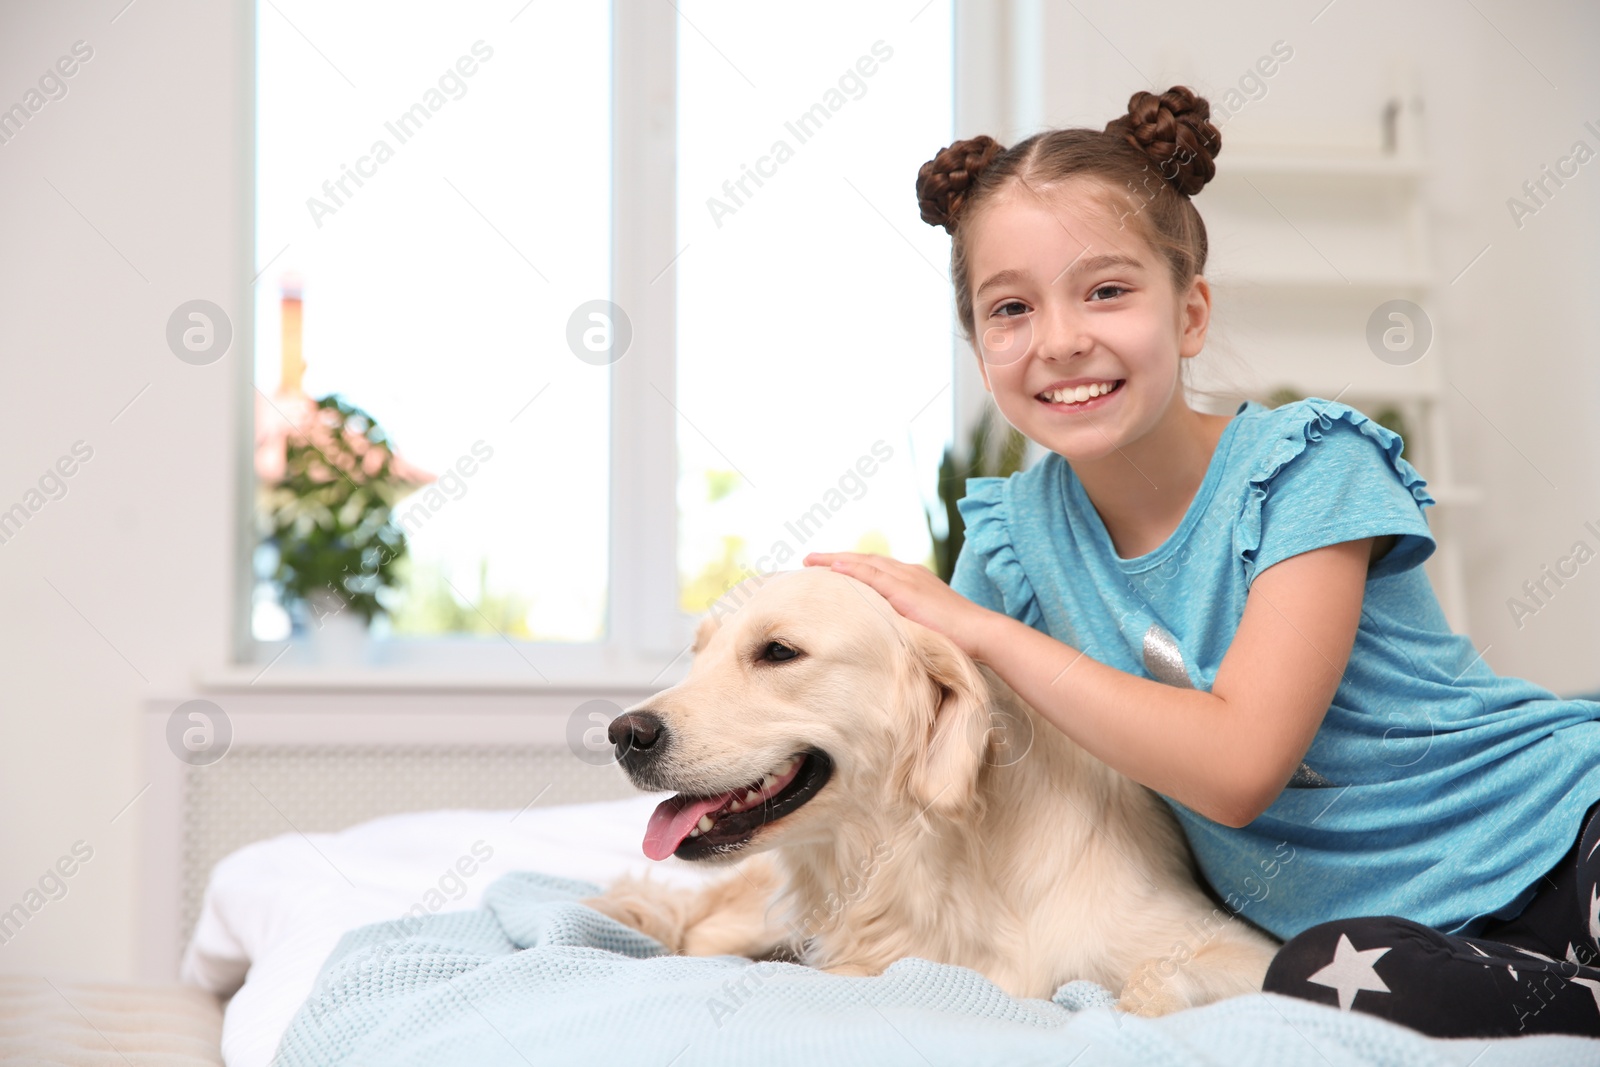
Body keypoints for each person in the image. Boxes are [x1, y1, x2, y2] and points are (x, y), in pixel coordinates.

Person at [802, 85, 1600, 1039]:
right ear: (981, 351)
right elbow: (963, 770)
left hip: (1561, 827)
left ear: (1189, 315)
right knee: (1312, 979)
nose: (1060, 340)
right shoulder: (1013, 540)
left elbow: (1238, 766)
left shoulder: (1306, 468)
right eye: (1009, 307)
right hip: (1387, 934)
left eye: (1106, 290)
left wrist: (976, 630)